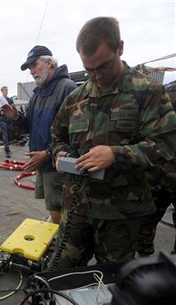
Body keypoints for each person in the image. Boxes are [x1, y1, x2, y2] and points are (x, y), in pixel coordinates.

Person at [50, 17, 176, 269]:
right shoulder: (76, 99)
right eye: (89, 70)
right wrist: (60, 155)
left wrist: (116, 154)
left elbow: (166, 148)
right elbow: (57, 136)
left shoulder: (148, 92)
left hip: (121, 214)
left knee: (113, 282)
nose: (96, 76)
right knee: (61, 274)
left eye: (103, 67)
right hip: (76, 209)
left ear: (120, 48)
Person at [1, 45, 77, 224]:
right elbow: (30, 125)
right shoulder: (36, 95)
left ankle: (62, 245)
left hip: (56, 165)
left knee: (61, 206)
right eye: (29, 68)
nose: (31, 71)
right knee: (52, 206)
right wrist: (16, 117)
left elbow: (75, 135)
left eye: (34, 65)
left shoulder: (68, 89)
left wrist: (48, 153)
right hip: (42, 163)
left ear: (49, 62)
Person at [136, 80, 176, 256]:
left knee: (146, 219)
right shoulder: (166, 91)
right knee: (146, 219)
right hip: (159, 171)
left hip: (159, 170)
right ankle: (143, 258)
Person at [0, 85, 15, 158]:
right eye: (5, 90)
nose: (6, 91)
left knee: (9, 133)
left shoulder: (10, 100)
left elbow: (14, 109)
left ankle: (8, 147)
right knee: (4, 134)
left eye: (7, 90)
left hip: (9, 119)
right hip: (2, 119)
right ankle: (7, 150)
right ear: (1, 91)